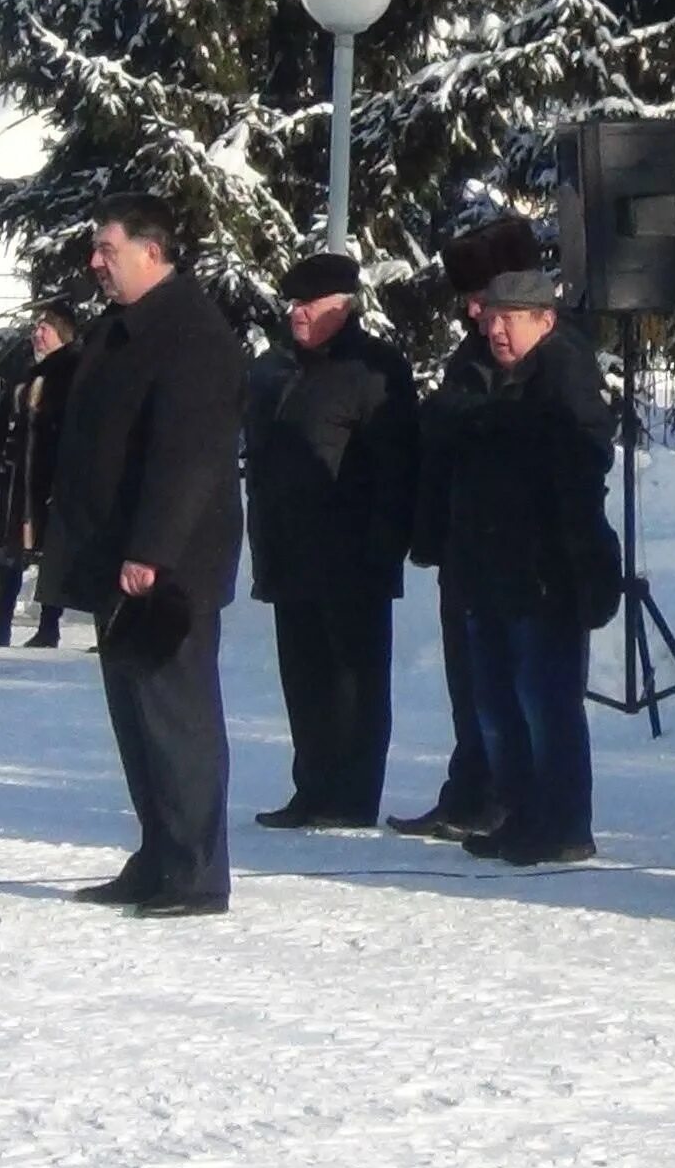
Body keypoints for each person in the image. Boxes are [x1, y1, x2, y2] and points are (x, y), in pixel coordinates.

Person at [44, 194, 246, 919]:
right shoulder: (126, 326)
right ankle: (159, 854)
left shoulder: (190, 331)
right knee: (136, 718)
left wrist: (152, 550)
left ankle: (196, 872)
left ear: (152, 253)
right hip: (117, 559)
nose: (95, 263)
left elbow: (189, 455)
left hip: (167, 569)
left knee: (177, 717)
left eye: (108, 249)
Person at [443, 270, 619, 868]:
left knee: (545, 700)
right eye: (491, 317)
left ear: (544, 320)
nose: (496, 329)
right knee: (495, 701)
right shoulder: (481, 373)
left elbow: (583, 458)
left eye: (509, 318)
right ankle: (519, 812)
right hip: (487, 563)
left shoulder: (564, 370)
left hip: (542, 565)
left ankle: (564, 822)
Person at [245, 252, 420, 830]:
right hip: (288, 551)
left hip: (352, 556)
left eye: (309, 305)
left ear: (341, 308)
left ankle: (351, 793)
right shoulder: (276, 370)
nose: (295, 314)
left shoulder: (374, 370)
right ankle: (312, 787)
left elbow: (397, 470)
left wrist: (382, 549)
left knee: (354, 681)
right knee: (304, 679)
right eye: (292, 304)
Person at [387, 216, 541, 841]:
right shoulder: (471, 355)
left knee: (501, 683)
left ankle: (501, 793)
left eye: (484, 299)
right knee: (468, 677)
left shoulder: (528, 362)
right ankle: (469, 785)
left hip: (503, 544)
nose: (476, 312)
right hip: (462, 538)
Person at [0, 307, 80, 647]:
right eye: (36, 329)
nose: (38, 335)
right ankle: (1, 627)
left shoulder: (71, 373)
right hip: (18, 477)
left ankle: (48, 626)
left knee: (50, 551)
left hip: (49, 476)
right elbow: (3, 420)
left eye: (46, 329)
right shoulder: (24, 373)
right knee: (10, 551)